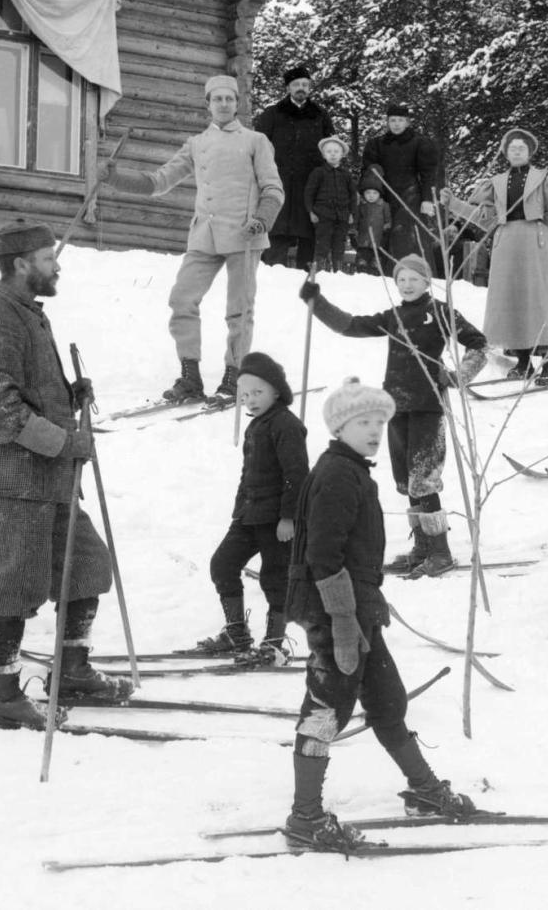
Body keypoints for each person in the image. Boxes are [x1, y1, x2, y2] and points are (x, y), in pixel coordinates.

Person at [283, 377, 478, 852]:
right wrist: (345, 623)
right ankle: (305, 816)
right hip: (335, 615)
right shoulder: (335, 476)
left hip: (356, 610)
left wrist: (363, 607)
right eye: (362, 422)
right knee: (326, 710)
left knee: (388, 701)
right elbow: (324, 557)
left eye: (379, 421)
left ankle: (424, 791)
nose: (374, 430)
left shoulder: (352, 471)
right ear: (340, 427)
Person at [0, 220, 133, 730]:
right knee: (17, 580)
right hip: (14, 478)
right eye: (46, 257)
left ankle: (73, 669)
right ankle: (0, 693)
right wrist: (65, 441)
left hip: (49, 478)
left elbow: (30, 389)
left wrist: (68, 393)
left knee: (86, 565)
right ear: (20, 265)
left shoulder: (27, 313)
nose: (57, 264)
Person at [299, 255, 487, 577]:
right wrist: (316, 302)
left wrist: (457, 377)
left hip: (428, 405)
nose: (407, 285)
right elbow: (351, 325)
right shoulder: (394, 316)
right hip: (398, 406)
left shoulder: (440, 312)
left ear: (427, 282)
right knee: (406, 479)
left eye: (414, 279)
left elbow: (479, 344)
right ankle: (422, 548)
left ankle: (440, 552)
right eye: (401, 280)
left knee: (424, 478)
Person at [104, 73, 284, 403]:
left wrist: (261, 220)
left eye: (230, 99)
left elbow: (273, 188)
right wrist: (117, 179)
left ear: (237, 103)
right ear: (208, 104)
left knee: (238, 310)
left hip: (245, 235)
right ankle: (190, 376)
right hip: (204, 236)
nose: (224, 104)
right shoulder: (196, 144)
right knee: (181, 299)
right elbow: (160, 180)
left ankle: (234, 375)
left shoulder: (256, 141)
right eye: (218, 99)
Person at [187, 352, 309, 663]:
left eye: (258, 392)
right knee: (223, 564)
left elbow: (297, 475)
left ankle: (274, 642)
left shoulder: (286, 425)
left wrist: (289, 518)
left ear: (276, 391)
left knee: (275, 578)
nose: (251, 400)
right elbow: (248, 473)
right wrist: (240, 509)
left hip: (275, 520)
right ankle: (236, 633)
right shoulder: (256, 425)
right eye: (244, 395)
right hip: (248, 515)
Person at [467, 128, 548, 386]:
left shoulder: (545, 178)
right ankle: (523, 362)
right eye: (512, 148)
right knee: (511, 299)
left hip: (536, 244)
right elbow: (485, 220)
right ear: (505, 153)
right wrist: (451, 204)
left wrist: (540, 224)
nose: (516, 151)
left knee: (539, 299)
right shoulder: (495, 183)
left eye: (521, 148)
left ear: (530, 152)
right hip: (506, 244)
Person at [253, 64, 337, 270]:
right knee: (276, 234)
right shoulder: (273, 114)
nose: (301, 88)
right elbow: (258, 148)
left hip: (309, 186)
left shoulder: (320, 115)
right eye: (297, 84)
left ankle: (306, 281)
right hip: (278, 183)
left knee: (308, 235)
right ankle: (272, 276)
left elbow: (332, 150)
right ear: (288, 88)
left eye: (305, 84)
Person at [359, 103, 440, 259]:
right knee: (380, 236)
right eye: (393, 120)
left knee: (407, 240)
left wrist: (427, 199)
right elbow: (368, 173)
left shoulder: (420, 143)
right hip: (382, 197)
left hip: (410, 196)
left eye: (400, 120)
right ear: (387, 122)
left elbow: (428, 173)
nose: (396, 124)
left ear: (407, 122)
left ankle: (407, 274)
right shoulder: (376, 144)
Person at [303, 136, 358, 274]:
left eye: (336, 151)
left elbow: (352, 195)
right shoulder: (318, 173)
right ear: (323, 154)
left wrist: (352, 213)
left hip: (342, 217)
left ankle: (338, 271)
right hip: (323, 216)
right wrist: (311, 211)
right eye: (329, 151)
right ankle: (320, 272)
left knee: (339, 244)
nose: (332, 154)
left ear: (342, 154)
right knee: (322, 244)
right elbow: (309, 193)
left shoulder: (346, 174)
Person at [353, 171, 392, 275]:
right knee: (362, 261)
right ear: (364, 194)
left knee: (376, 262)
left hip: (378, 239)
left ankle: (375, 273)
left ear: (379, 194)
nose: (371, 196)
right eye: (368, 193)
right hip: (363, 240)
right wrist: (353, 231)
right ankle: (361, 271)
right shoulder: (361, 206)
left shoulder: (384, 205)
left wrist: (387, 228)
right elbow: (356, 220)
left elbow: (388, 220)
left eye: (375, 193)